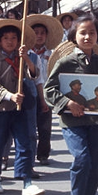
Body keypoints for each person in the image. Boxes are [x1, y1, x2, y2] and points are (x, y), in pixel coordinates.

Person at [45, 13, 98, 195]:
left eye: (92, 33)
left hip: (94, 122)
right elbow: (49, 90)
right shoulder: (66, 62)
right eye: (83, 33)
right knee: (82, 159)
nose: (88, 37)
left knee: (95, 166)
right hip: (72, 122)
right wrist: (67, 103)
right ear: (74, 36)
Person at [0, 19, 44, 195]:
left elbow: (33, 76)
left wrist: (26, 59)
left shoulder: (22, 58)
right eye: (6, 38)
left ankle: (27, 181)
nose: (10, 41)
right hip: (0, 108)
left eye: (14, 38)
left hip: (21, 108)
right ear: (0, 41)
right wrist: (10, 96)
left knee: (25, 143)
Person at [27, 14, 61, 166]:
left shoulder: (53, 54)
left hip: (46, 92)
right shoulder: (26, 54)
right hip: (28, 92)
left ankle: (43, 153)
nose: (39, 36)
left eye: (42, 33)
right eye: (36, 32)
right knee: (28, 127)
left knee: (45, 126)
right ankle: (29, 154)